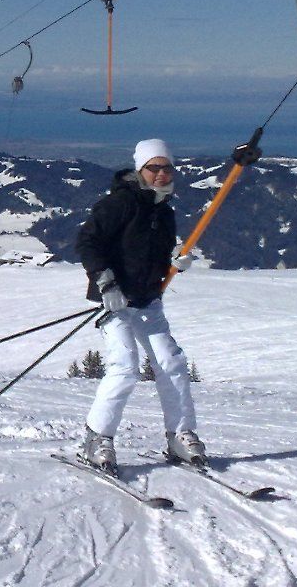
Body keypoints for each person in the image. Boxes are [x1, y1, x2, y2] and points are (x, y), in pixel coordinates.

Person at [75, 138, 203, 476]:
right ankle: (96, 438)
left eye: (166, 167)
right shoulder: (119, 203)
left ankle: (179, 435)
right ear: (140, 169)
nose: (161, 173)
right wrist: (106, 282)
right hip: (114, 302)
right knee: (124, 365)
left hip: (148, 301)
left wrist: (174, 260)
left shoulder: (164, 211)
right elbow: (87, 242)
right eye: (153, 167)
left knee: (171, 362)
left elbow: (153, 254)